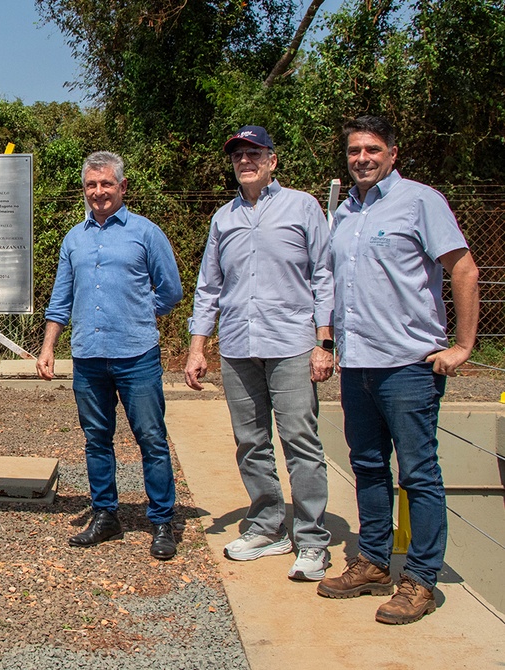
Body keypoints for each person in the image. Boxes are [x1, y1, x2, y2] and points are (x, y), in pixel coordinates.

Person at [316, 115, 479, 625]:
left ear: (392, 153)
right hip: (357, 365)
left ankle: (421, 579)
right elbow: (334, 284)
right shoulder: (343, 214)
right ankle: (372, 562)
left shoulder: (421, 202)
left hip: (409, 366)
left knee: (418, 473)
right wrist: (327, 342)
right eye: (354, 150)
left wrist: (463, 346)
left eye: (372, 148)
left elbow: (464, 268)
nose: (362, 157)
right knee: (367, 466)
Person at [185, 125, 334, 581]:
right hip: (237, 346)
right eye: (237, 156)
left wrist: (323, 342)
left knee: (299, 441)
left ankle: (312, 541)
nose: (245, 161)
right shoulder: (223, 219)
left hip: (291, 344)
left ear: (272, 161)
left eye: (253, 154)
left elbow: (324, 275)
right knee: (251, 443)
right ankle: (269, 527)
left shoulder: (302, 207)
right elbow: (209, 286)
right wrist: (197, 347)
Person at [36, 151, 184, 560]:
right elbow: (60, 298)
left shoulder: (145, 233)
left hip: (136, 355)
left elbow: (171, 290)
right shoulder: (74, 238)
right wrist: (48, 347)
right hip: (88, 357)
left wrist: (139, 311)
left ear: (121, 187)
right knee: (96, 440)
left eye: (105, 184)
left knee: (151, 439)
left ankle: (162, 521)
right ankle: (105, 515)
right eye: (91, 185)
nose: (98, 192)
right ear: (84, 189)